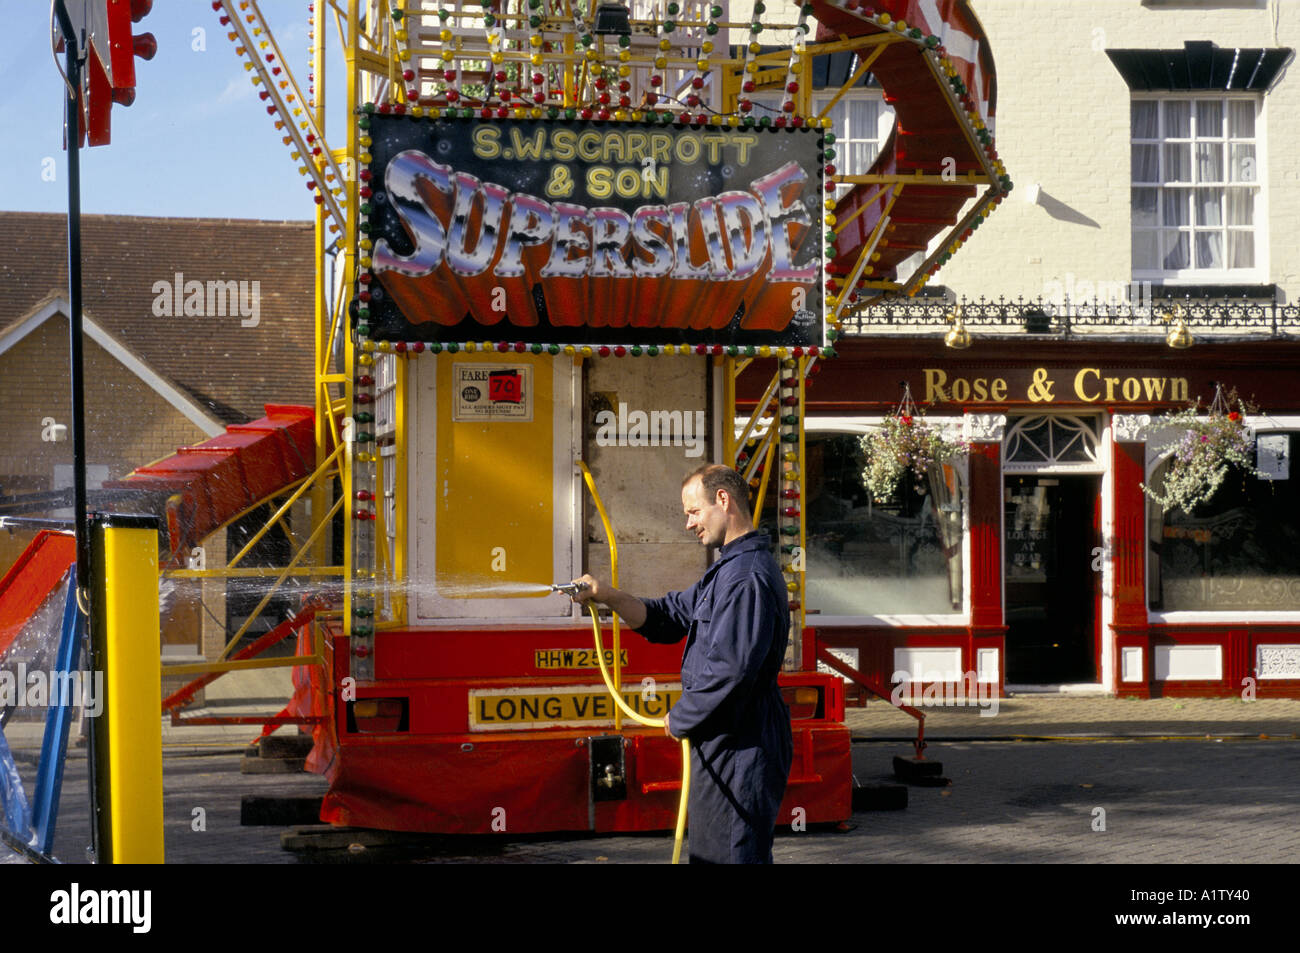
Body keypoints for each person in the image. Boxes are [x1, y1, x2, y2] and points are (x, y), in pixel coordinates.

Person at [572, 463, 793, 863]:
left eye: (693, 512)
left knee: (729, 855)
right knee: (714, 852)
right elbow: (668, 617)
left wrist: (682, 716)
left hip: (741, 743)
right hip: (725, 738)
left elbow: (732, 670)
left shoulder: (746, 578)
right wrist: (607, 595)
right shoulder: (727, 571)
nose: (689, 524)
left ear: (722, 500)